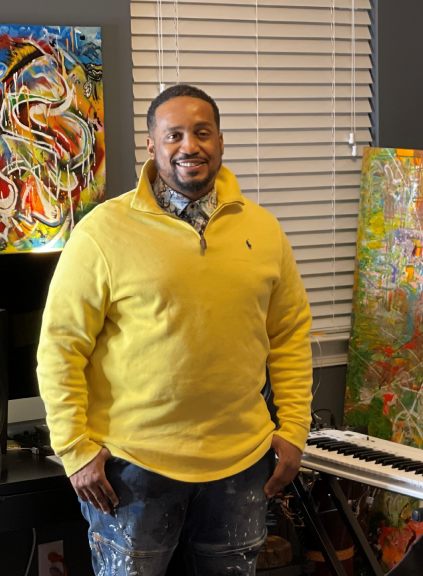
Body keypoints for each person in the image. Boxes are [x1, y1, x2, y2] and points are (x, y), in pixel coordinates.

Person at [37, 84, 313, 576]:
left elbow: (290, 336)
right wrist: (75, 451)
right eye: (174, 135)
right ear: (151, 146)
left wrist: (292, 430)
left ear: (221, 142)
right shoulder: (103, 232)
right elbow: (60, 347)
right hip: (132, 466)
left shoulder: (265, 231)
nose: (190, 146)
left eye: (202, 132)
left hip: (242, 463)